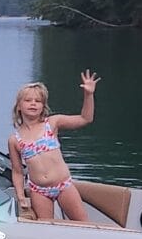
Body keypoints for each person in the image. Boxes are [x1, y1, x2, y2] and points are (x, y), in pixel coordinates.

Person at [9, 71, 100, 222]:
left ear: (43, 106)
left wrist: (88, 95)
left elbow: (85, 118)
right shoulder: (15, 140)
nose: (33, 103)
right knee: (46, 227)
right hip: (39, 190)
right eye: (28, 100)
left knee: (83, 224)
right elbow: (18, 171)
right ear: (19, 106)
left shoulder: (52, 123)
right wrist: (20, 196)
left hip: (63, 185)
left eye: (37, 101)